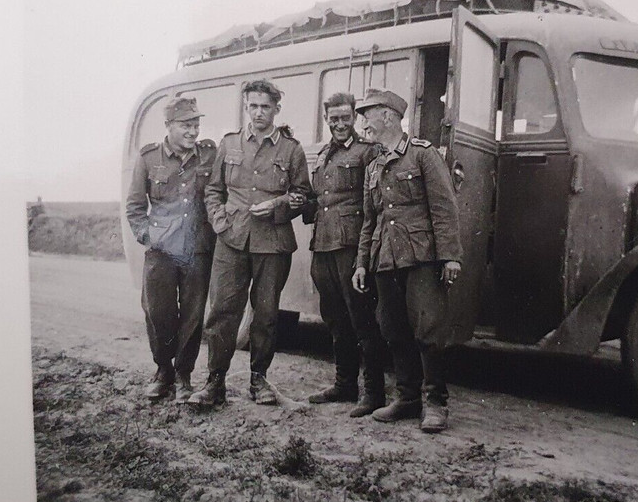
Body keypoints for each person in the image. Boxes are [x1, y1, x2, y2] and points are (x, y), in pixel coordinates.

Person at [188, 79, 311, 407]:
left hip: (272, 242)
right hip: (232, 239)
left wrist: (277, 205)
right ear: (246, 107)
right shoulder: (229, 145)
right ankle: (215, 382)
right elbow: (213, 190)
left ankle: (260, 381)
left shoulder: (291, 149)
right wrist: (219, 221)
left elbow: (303, 196)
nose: (259, 113)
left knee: (267, 314)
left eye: (265, 107)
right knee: (222, 311)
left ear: (276, 110)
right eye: (253, 106)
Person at [351, 89, 462, 433]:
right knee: (394, 329)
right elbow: (370, 221)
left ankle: (435, 403)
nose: (364, 122)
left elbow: (444, 208)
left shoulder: (423, 155)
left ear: (387, 115)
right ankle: (407, 397)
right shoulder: (373, 166)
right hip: (386, 259)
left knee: (428, 330)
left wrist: (450, 256)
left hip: (422, 257)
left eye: (368, 114)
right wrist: (360, 263)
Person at [301, 92, 388, 417]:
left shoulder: (368, 152)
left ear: (354, 118)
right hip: (322, 246)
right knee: (335, 320)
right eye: (333, 119)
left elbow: (373, 207)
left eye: (345, 117)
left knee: (363, 320)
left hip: (351, 248)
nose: (339, 124)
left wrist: (365, 257)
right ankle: (344, 384)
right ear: (328, 120)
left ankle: (374, 393)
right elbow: (317, 202)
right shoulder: (324, 155)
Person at [124, 95, 217, 402]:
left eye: (196, 124)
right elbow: (135, 207)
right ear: (169, 127)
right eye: (185, 125)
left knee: (192, 315)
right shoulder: (149, 158)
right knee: (158, 312)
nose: (193, 132)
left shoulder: (209, 154)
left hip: (196, 248)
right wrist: (147, 237)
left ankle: (183, 376)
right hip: (161, 251)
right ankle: (163, 371)